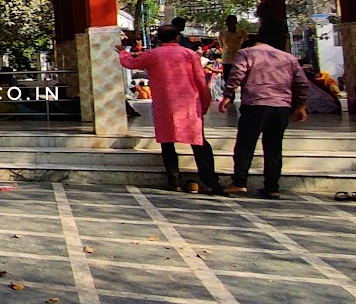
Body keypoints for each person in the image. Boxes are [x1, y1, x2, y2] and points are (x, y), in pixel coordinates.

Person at [120, 26, 223, 194]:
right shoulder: (189, 54)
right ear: (177, 36)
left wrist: (123, 52)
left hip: (164, 104)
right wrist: (205, 103)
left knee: (168, 144)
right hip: (188, 103)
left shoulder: (153, 55)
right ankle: (211, 181)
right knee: (199, 142)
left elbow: (130, 63)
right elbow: (200, 80)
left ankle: (174, 180)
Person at [219, 25, 309, 198]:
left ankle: (239, 182)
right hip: (282, 107)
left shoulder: (246, 54)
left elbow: (237, 74)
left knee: (246, 144)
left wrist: (228, 95)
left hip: (255, 105)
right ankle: (272, 186)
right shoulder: (288, 58)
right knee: (274, 147)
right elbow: (302, 83)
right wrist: (301, 106)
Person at [218, 14, 248, 89]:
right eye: (227, 22)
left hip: (239, 60)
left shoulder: (242, 32)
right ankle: (230, 98)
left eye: (231, 21)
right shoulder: (222, 33)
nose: (229, 23)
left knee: (241, 79)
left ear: (235, 22)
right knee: (227, 80)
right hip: (227, 60)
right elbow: (222, 45)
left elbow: (246, 44)